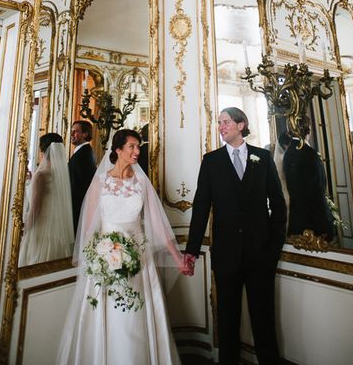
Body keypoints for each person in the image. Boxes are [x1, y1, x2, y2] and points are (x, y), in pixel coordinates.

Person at [57, 128, 191, 365]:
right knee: (106, 315)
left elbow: (158, 225)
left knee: (135, 315)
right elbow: (89, 228)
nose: (137, 151)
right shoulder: (100, 182)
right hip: (104, 258)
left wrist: (178, 258)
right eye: (132, 146)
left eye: (138, 147)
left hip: (138, 259)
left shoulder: (141, 182)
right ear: (118, 150)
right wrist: (96, 259)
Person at [185, 107, 287, 365]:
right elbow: (200, 207)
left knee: (263, 319)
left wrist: (273, 247)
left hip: (260, 255)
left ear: (241, 125)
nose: (221, 127)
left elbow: (278, 203)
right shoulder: (211, 161)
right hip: (226, 255)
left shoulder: (262, 158)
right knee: (227, 320)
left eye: (226, 122)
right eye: (219, 123)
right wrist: (191, 250)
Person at [19, 132, 74, 267]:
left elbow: (36, 208)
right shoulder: (60, 172)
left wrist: (25, 230)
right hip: (56, 230)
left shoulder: (41, 175)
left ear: (43, 150)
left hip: (40, 229)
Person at [283, 133, 336, 241]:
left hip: (297, 218)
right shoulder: (310, 153)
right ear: (309, 132)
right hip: (314, 217)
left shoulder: (288, 154)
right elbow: (319, 187)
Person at [68, 120, 96, 233]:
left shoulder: (83, 154)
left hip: (78, 207)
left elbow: (81, 185)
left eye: (76, 132)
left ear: (85, 134)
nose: (72, 134)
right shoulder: (83, 152)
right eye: (72, 131)